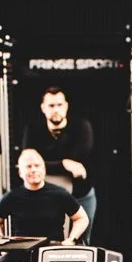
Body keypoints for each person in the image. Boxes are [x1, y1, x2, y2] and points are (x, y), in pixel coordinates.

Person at [27, 86, 97, 234]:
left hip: (80, 194)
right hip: (48, 198)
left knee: (82, 242)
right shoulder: (33, 129)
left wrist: (44, 164)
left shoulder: (81, 127)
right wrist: (64, 164)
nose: (56, 109)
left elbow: (78, 160)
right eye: (51, 105)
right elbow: (26, 162)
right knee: (51, 241)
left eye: (59, 105)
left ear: (66, 106)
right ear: (43, 108)